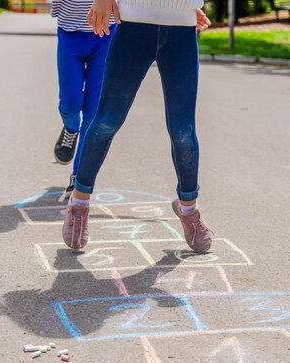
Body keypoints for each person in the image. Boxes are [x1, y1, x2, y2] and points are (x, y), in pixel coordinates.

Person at [62, 0, 214, 254]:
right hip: (133, 24)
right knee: (107, 121)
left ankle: (189, 209)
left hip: (182, 27)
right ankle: (79, 203)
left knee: (182, 130)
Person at [50, 0, 117, 198]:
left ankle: (79, 175)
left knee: (93, 111)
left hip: (106, 34)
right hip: (70, 32)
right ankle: (71, 128)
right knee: (70, 104)